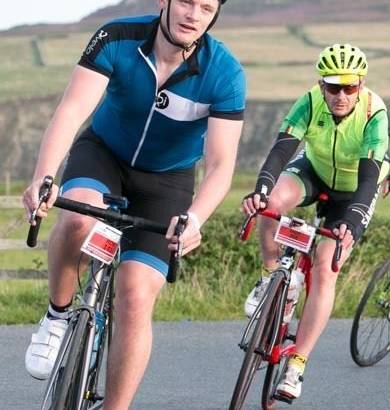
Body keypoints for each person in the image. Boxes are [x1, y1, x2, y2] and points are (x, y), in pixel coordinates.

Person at [20, 0, 244, 408]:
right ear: (165, 1)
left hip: (167, 182)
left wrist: (195, 219)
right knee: (76, 219)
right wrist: (44, 176)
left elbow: (220, 164)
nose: (194, 14)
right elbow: (71, 112)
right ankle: (56, 316)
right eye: (187, 2)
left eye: (206, 7)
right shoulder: (116, 37)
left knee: (136, 293)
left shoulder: (224, 73)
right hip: (104, 153)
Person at [241, 43, 388, 401]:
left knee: (325, 264)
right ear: (320, 84)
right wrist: (260, 188)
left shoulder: (374, 111)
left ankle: (297, 365)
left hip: (356, 189)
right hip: (316, 171)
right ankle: (271, 276)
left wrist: (353, 218)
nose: (340, 95)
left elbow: (370, 178)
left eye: (349, 87)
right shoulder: (309, 100)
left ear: (361, 84)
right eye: (332, 86)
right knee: (272, 204)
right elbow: (281, 149)